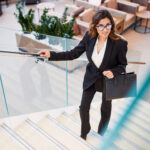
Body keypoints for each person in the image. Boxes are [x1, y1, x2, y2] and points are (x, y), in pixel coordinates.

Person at [38, 9, 128, 140]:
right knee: (83, 108)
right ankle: (85, 132)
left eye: (108, 25)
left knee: (106, 109)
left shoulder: (119, 43)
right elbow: (73, 54)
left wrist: (113, 72)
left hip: (108, 81)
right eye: (101, 26)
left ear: (111, 25)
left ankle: (102, 133)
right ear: (95, 26)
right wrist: (51, 54)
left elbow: (122, 65)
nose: (105, 29)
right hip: (91, 77)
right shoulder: (89, 37)